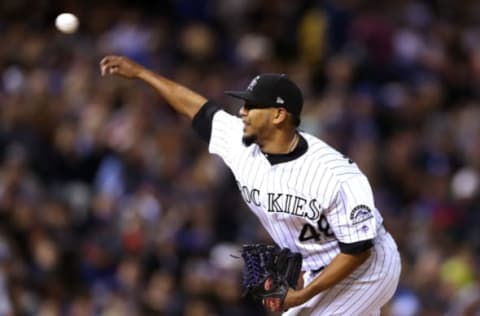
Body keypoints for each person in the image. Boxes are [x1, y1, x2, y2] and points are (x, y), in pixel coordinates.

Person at [99, 55, 401, 315]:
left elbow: (359, 248)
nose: (242, 112)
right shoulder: (241, 143)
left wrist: (302, 295)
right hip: (319, 267)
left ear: (279, 115)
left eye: (252, 106)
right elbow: (198, 109)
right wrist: (141, 73)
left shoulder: (334, 174)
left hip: (368, 268)